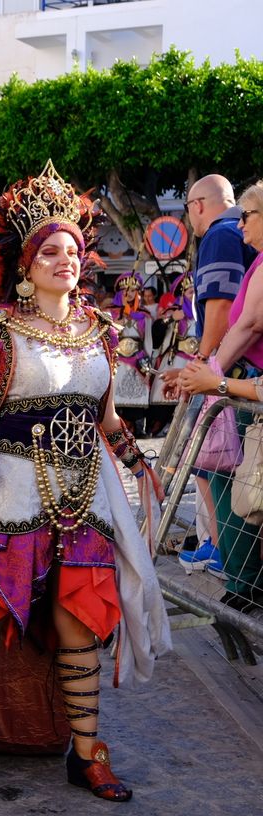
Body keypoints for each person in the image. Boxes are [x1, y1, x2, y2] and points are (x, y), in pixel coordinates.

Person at [0, 162, 171, 800]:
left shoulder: (100, 335)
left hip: (83, 495)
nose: (65, 261)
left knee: (82, 620)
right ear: (24, 265)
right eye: (49, 251)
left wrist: (138, 464)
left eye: (73, 251)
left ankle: (87, 751)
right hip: (10, 493)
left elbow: (105, 419)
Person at [187, 175, 263, 612]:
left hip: (243, 385)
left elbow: (231, 318)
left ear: (198, 205)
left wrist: (207, 370)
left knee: (227, 476)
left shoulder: (217, 237)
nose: (240, 225)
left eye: (248, 216)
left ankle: (243, 582)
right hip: (236, 377)